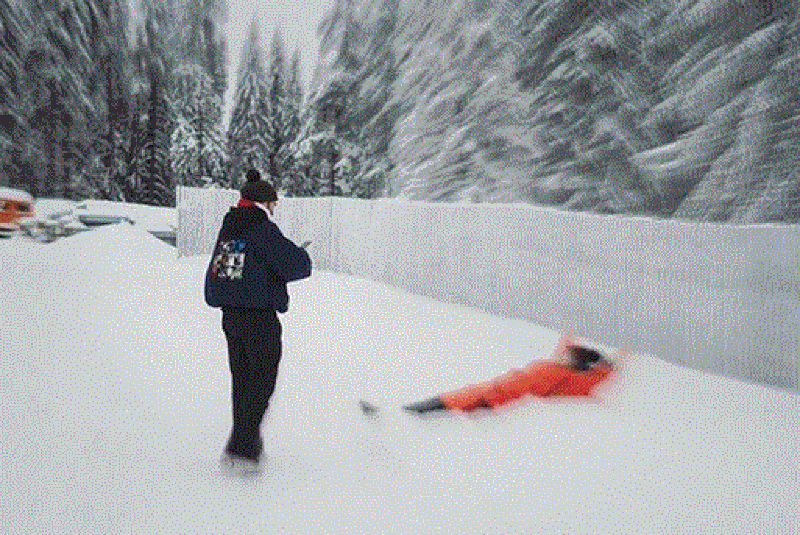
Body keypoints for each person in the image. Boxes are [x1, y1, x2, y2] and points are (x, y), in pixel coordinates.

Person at [205, 169, 312, 473]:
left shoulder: (230, 228)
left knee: (243, 381)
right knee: (262, 381)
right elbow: (295, 265)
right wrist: (300, 254)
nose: (274, 209)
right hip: (259, 318)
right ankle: (242, 449)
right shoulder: (261, 228)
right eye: (274, 204)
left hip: (231, 317)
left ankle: (246, 445)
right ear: (264, 203)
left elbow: (229, 268)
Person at [403, 334, 624, 413]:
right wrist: (569, 336)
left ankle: (409, 413)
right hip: (493, 389)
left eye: (568, 356)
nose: (563, 356)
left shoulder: (569, 378)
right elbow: (562, 351)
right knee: (449, 399)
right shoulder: (557, 367)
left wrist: (612, 362)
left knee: (448, 403)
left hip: (497, 396)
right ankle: (410, 412)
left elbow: (597, 377)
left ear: (577, 363)